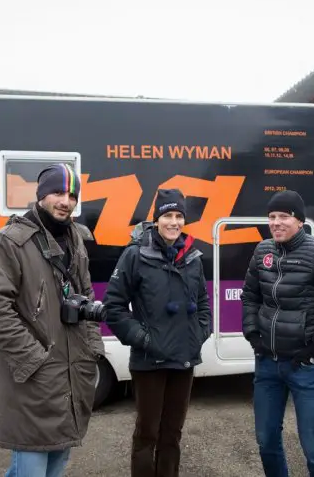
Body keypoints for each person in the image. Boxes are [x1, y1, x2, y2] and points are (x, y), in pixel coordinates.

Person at [0, 163, 105, 477]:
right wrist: (35, 359)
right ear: (42, 195)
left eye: (72, 195)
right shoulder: (10, 242)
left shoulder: (76, 240)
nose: (66, 201)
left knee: (55, 468)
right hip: (34, 381)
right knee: (31, 470)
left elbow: (86, 297)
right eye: (58, 192)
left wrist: (92, 350)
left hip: (72, 378)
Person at [241, 190, 314, 477]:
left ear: (299, 221)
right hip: (268, 364)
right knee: (266, 441)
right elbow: (250, 296)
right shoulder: (263, 251)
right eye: (272, 217)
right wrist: (252, 333)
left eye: (284, 216)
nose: (276, 222)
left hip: (306, 366)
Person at [103, 188, 211, 477]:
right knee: (147, 434)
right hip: (150, 361)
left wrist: (200, 332)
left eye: (178, 216)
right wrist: (144, 340)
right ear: (156, 219)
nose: (173, 222)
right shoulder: (135, 255)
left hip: (184, 360)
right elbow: (113, 307)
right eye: (167, 215)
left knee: (172, 434)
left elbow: (203, 303)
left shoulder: (193, 257)